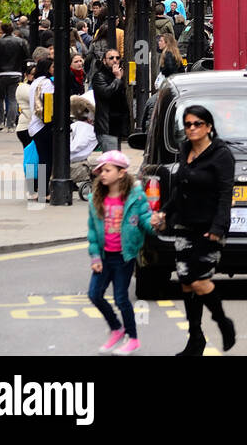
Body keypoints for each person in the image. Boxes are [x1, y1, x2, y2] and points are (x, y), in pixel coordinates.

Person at [152, 104, 236, 356]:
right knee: (187, 284)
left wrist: (218, 228)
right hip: (184, 225)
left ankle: (223, 322)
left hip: (209, 228)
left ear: (209, 127)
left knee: (199, 281)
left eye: (197, 124)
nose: (191, 129)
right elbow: (180, 188)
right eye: (188, 124)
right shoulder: (185, 150)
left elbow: (225, 194)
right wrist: (164, 212)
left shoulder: (221, 155)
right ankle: (195, 340)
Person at [87, 150, 157, 356]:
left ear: (121, 173)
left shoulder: (135, 198)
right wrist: (95, 256)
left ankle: (133, 339)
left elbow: (145, 220)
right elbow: (92, 230)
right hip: (104, 256)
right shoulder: (96, 199)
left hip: (123, 257)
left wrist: (155, 224)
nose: (103, 174)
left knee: (120, 299)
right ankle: (117, 329)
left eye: (107, 170)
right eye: (101, 171)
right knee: (94, 294)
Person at [0, 22, 28, 131]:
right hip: (15, 72)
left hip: (0, 73)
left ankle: (0, 122)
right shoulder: (20, 42)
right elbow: (26, 57)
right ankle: (10, 124)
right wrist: (23, 70)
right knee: (12, 99)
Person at [26, 56, 54, 201]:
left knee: (43, 158)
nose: (55, 69)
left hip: (35, 125)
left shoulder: (35, 82)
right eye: (52, 66)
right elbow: (48, 104)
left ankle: (40, 190)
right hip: (44, 125)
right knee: (47, 159)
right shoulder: (47, 83)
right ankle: (44, 192)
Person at [91, 48, 129, 150]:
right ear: (104, 61)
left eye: (117, 57)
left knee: (116, 160)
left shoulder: (118, 76)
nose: (115, 60)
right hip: (106, 126)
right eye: (111, 58)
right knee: (111, 161)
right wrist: (117, 79)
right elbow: (106, 94)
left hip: (116, 125)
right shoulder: (99, 76)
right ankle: (42, 166)